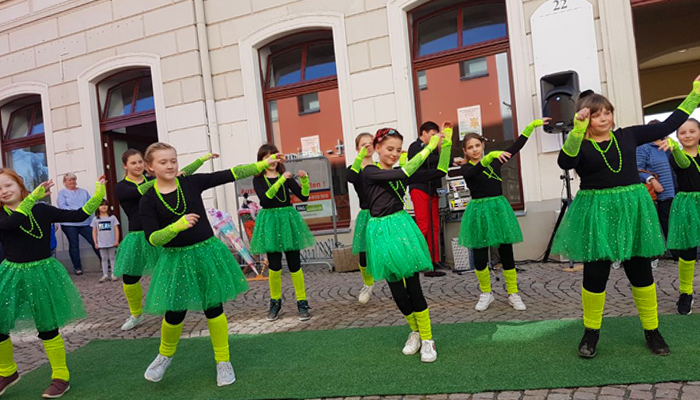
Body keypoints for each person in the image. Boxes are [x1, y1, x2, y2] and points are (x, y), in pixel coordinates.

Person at [552, 76, 700, 358]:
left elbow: (669, 125)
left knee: (640, 272)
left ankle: (652, 331)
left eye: (607, 112)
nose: (604, 118)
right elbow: (565, 162)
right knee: (595, 274)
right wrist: (577, 130)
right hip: (597, 213)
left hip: (632, 211)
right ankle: (590, 333)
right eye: (597, 115)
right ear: (586, 118)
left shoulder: (627, 135)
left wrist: (694, 95)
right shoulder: (579, 145)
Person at [139, 142, 262, 386]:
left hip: (206, 253)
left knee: (213, 308)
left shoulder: (190, 182)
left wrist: (262, 164)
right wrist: (177, 226)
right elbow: (152, 239)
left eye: (173, 160)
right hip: (175, 260)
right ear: (150, 167)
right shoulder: (148, 199)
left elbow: (229, 174)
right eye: (163, 162)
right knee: (174, 312)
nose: (170, 165)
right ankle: (164, 355)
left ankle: (223, 361)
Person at [0, 168, 105, 398]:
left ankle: (60, 377)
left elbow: (77, 216)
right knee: (0, 323)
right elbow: (11, 225)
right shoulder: (2, 215)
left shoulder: (41, 209)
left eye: (8, 185)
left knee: (47, 327)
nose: (4, 191)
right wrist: (32, 199)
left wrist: (98, 195)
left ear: (19, 185)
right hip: (10, 274)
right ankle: (7, 371)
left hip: (42, 273)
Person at [363, 126, 451, 363]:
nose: (393, 153)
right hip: (380, 234)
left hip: (402, 230)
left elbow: (440, 170)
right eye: (389, 148)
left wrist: (447, 143)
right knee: (398, 294)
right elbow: (402, 172)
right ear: (378, 148)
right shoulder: (370, 171)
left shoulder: (402, 171)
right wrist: (428, 147)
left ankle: (428, 338)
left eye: (398, 149)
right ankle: (416, 332)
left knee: (413, 288)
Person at [114, 149, 216, 331]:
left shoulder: (154, 180)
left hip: (162, 234)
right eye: (133, 163)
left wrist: (200, 160)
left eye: (140, 162)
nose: (137, 166)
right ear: (125, 165)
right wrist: (166, 177)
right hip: (138, 237)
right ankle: (136, 314)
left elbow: (180, 175)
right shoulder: (122, 187)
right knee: (130, 278)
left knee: (167, 274)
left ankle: (170, 309)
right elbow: (140, 191)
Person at [459, 119, 549, 312]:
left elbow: (516, 146)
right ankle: (486, 293)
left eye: (477, 145)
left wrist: (531, 126)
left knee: (507, 252)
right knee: (480, 255)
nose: (475, 150)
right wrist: (490, 156)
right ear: (465, 151)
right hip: (478, 212)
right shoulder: (466, 168)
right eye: (470, 147)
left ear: (482, 145)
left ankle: (513, 293)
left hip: (499, 209)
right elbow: (475, 171)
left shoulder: (496, 161)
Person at [250, 144, 315, 321]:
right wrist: (281, 180)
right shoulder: (258, 179)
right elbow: (265, 199)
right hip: (270, 221)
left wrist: (305, 180)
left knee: (295, 263)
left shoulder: (285, 177)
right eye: (266, 157)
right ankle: (275, 302)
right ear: (261, 161)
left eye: (273, 156)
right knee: (274, 264)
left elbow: (304, 196)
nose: (271, 160)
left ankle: (302, 301)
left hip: (287, 220)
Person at [667, 118, 700, 315]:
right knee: (688, 251)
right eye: (682, 132)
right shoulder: (675, 155)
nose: (687, 135)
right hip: (687, 204)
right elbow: (684, 164)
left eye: (692, 131)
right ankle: (686, 292)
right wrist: (675, 149)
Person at [407, 121, 449, 274]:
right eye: (432, 135)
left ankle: (434, 260)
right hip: (419, 188)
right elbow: (421, 161)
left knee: (434, 226)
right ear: (423, 133)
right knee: (423, 225)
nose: (434, 138)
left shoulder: (434, 150)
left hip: (432, 189)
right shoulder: (415, 146)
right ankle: (417, 260)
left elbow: (442, 164)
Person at [637, 119, 676, 267]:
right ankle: (674, 252)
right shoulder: (644, 147)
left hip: (676, 190)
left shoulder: (669, 146)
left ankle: (684, 250)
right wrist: (651, 179)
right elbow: (637, 169)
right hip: (660, 192)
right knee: (666, 222)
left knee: (677, 221)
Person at [347, 133, 376, 304]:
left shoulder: (380, 166)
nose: (367, 146)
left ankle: (399, 286)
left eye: (371, 143)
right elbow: (351, 178)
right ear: (357, 148)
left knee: (388, 251)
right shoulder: (354, 168)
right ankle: (368, 283)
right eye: (363, 144)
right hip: (366, 214)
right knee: (364, 254)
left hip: (382, 214)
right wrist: (360, 157)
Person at [57, 173, 100, 275]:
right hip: (69, 223)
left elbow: (90, 204)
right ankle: (77, 267)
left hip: (84, 222)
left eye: (73, 179)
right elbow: (62, 206)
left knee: (95, 241)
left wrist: (85, 213)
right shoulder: (62, 193)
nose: (72, 182)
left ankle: (106, 262)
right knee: (74, 244)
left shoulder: (83, 192)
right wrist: (78, 211)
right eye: (69, 180)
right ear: (64, 182)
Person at [91, 200, 120, 283]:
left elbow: (116, 229)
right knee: (103, 258)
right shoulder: (95, 219)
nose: (104, 207)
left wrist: (116, 240)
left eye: (105, 205)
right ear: (98, 207)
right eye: (101, 205)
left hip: (111, 242)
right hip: (101, 243)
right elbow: (94, 231)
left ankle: (114, 274)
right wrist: (95, 242)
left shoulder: (112, 218)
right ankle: (105, 274)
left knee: (112, 258)